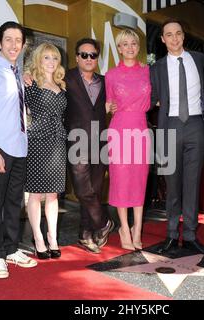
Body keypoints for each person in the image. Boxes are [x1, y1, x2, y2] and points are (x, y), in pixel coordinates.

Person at [0, 21, 37, 279]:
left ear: (23, 46)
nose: (14, 45)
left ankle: (11, 249)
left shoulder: (17, 74)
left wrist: (23, 78)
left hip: (19, 147)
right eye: (8, 39)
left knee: (14, 203)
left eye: (18, 40)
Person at [150, 19, 204, 255]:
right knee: (172, 185)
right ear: (163, 39)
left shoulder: (199, 59)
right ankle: (171, 235)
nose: (174, 38)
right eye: (169, 34)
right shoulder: (156, 68)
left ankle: (190, 236)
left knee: (192, 184)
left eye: (178, 33)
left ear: (183, 36)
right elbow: (152, 97)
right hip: (170, 126)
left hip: (196, 124)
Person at [65, 38, 115, 254]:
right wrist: (28, 76)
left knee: (94, 190)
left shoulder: (105, 82)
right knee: (83, 189)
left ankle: (85, 235)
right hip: (76, 141)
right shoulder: (65, 77)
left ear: (97, 58)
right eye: (83, 54)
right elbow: (42, 79)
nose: (88, 58)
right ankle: (104, 223)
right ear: (77, 57)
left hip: (101, 142)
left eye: (92, 55)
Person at [105, 29, 151, 251]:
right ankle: (124, 227)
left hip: (141, 128)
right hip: (120, 128)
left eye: (133, 43)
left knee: (139, 178)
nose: (130, 47)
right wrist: (109, 106)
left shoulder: (148, 72)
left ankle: (138, 228)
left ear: (138, 47)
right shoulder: (111, 75)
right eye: (125, 44)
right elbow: (107, 103)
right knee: (121, 178)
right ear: (119, 48)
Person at [24, 43, 67, 259]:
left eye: (55, 58)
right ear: (38, 60)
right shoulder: (30, 83)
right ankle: (38, 238)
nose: (51, 62)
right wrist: (24, 75)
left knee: (53, 194)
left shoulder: (62, 85)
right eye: (46, 58)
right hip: (38, 140)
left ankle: (53, 238)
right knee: (36, 193)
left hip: (58, 141)